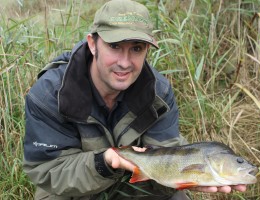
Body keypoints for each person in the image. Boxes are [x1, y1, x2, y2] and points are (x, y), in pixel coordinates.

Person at [23, 0, 247, 199]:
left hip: (134, 183)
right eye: (114, 46)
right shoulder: (49, 95)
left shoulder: (158, 94)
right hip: (71, 189)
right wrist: (105, 162)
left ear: (147, 50)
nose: (125, 62)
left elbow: (165, 159)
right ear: (92, 44)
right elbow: (47, 171)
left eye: (136, 49)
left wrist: (185, 177)